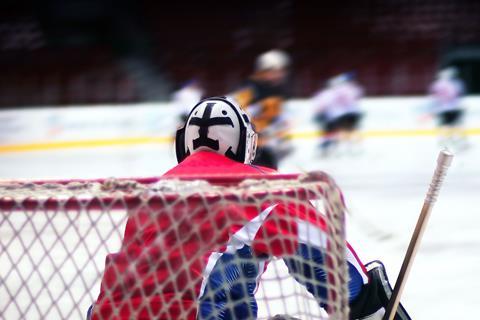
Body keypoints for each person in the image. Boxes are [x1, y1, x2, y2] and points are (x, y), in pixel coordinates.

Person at [89, 97, 410, 320]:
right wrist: (370, 306)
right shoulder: (260, 188)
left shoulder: (152, 194)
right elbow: (325, 257)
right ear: (244, 143)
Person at [230, 49, 293, 170]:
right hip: (250, 148)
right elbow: (236, 114)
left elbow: (275, 117)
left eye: (282, 71)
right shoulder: (250, 90)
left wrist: (280, 132)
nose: (281, 75)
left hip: (266, 147)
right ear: (265, 71)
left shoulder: (275, 91)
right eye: (277, 71)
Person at [312, 72, 364, 157]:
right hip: (342, 115)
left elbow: (321, 106)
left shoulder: (333, 92)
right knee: (342, 131)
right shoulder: (352, 89)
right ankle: (345, 147)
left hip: (337, 115)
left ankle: (329, 147)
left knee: (335, 132)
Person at [424, 67, 469, 151]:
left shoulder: (436, 84)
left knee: (445, 126)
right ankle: (455, 141)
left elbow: (433, 97)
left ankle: (446, 142)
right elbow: (458, 94)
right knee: (455, 125)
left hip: (443, 109)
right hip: (453, 108)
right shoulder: (455, 84)